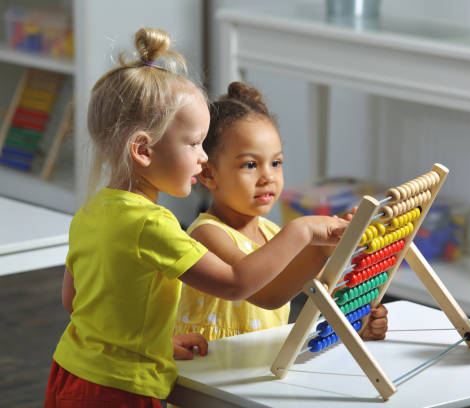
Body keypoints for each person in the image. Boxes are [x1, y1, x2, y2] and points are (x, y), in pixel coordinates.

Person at [44, 28, 349, 408]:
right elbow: (237, 284)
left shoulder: (92, 211)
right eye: (193, 144)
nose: (202, 158)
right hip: (119, 391)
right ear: (143, 150)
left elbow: (76, 301)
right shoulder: (152, 225)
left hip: (70, 373)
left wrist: (154, 341)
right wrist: (303, 229)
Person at [174, 81, 388, 343]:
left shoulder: (274, 235)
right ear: (208, 173)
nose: (268, 177)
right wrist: (307, 236)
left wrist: (360, 320)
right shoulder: (206, 235)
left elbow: (327, 294)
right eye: (250, 165)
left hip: (261, 362)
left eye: (276, 163)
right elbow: (265, 291)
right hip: (210, 366)